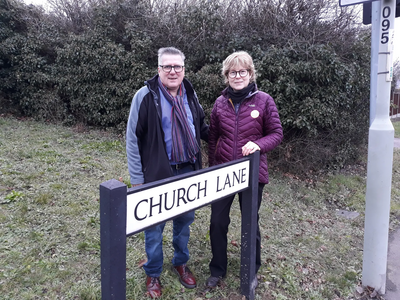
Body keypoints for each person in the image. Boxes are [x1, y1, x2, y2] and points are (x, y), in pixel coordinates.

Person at [126, 47, 209, 298]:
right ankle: (153, 273)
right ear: (159, 69)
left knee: (184, 222)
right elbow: (132, 138)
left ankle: (180, 263)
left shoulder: (191, 95)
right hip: (158, 174)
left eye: (178, 67)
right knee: (154, 227)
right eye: (167, 67)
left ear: (184, 70)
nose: (173, 71)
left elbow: (203, 128)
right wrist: (138, 180)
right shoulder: (145, 96)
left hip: (188, 171)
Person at [206, 51, 283, 288]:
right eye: (232, 72)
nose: (237, 76)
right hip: (223, 173)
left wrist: (258, 144)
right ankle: (218, 269)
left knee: (250, 222)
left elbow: (277, 134)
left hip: (252, 173)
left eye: (242, 71)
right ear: (226, 76)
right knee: (217, 222)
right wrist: (212, 168)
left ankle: (251, 269)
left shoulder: (264, 100)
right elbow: (213, 137)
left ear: (250, 74)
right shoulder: (220, 103)